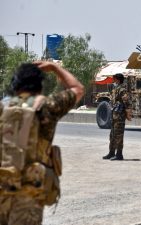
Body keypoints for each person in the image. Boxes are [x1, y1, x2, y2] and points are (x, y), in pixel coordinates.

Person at [0, 61, 84, 225]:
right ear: (39, 85)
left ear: (16, 84)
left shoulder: (3, 108)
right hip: (29, 195)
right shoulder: (47, 107)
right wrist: (55, 68)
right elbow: (78, 89)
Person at [102, 73, 132, 161]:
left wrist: (128, 113)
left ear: (118, 80)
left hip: (119, 116)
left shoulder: (122, 89)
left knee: (118, 135)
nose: (113, 81)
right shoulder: (116, 88)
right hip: (114, 115)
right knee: (112, 135)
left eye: (114, 79)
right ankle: (111, 153)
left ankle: (119, 155)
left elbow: (126, 102)